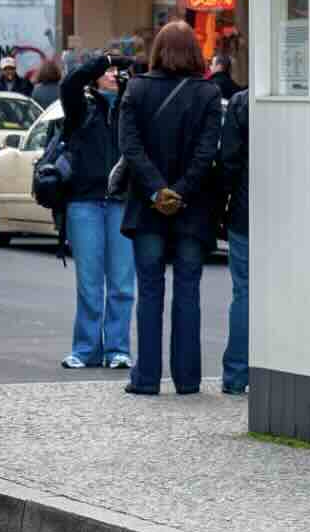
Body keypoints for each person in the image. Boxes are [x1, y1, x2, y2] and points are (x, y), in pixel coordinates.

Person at [117, 22, 225, 396]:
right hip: (192, 209)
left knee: (148, 291)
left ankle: (146, 378)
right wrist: (179, 191)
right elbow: (207, 153)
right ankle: (188, 379)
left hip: (148, 210)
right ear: (195, 52)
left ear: (158, 50)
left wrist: (156, 190)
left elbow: (130, 148)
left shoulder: (137, 88)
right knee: (188, 292)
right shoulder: (209, 93)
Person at [57, 53, 136, 370]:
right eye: (108, 71)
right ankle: (86, 348)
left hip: (122, 202)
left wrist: (130, 71)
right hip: (85, 202)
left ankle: (117, 348)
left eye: (118, 71)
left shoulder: (130, 108)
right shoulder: (81, 107)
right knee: (89, 283)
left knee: (121, 283)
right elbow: (69, 82)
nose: (113, 74)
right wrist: (104, 58)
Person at [219, 88, 249, 395]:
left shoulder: (242, 103)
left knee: (245, 292)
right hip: (294, 218)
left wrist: (222, 205)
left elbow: (228, 161)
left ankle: (237, 375)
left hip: (245, 212)